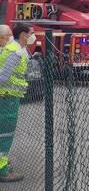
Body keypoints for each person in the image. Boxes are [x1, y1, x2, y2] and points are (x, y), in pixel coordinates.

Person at [0, 24, 34, 183]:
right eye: (31, 33)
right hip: (7, 98)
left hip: (7, 96)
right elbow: (3, 76)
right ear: (23, 35)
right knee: (5, 135)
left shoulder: (10, 48)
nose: (33, 36)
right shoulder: (15, 51)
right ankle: (2, 171)